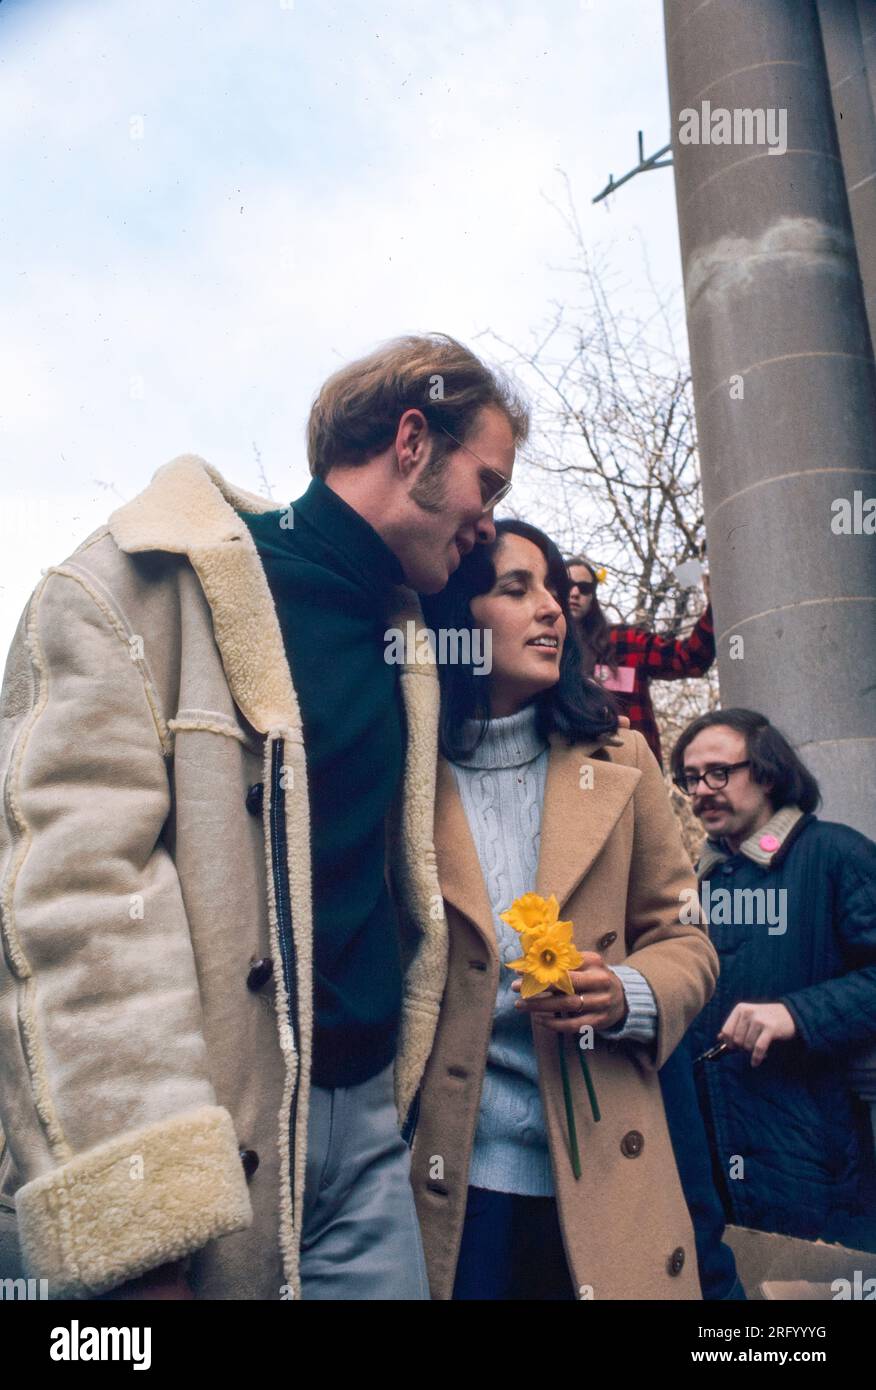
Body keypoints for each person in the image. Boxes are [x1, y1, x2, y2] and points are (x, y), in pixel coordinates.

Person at [0, 332, 526, 1300]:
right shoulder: (127, 590)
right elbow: (74, 907)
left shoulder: (411, 642)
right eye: (485, 484)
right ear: (413, 442)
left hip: (369, 1137)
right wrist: (143, 1219)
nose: (489, 523)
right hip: (206, 1135)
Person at [413, 519, 720, 1300]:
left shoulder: (624, 761)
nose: (553, 608)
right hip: (449, 1176)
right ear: (455, 620)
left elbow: (684, 936)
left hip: (604, 1165)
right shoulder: (404, 766)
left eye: (553, 588)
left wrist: (628, 993)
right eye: (517, 589)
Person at [671, 709, 876, 1250]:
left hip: (815, 1166)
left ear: (766, 772)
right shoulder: (697, 884)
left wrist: (797, 1014)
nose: (701, 791)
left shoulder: (835, 852)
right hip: (715, 1165)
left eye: (719, 772)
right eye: (691, 778)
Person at [566, 554, 714, 766]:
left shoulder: (626, 641)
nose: (574, 593)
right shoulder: (541, 651)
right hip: (569, 777)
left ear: (594, 595)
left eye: (584, 587)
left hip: (634, 772)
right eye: (567, 585)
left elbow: (688, 659)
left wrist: (714, 608)